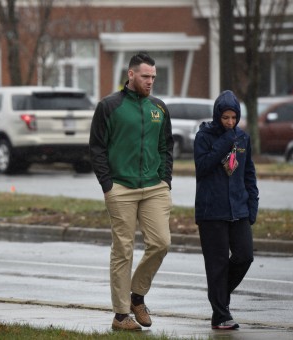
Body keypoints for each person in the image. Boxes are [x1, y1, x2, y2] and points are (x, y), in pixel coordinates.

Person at [89, 52, 174, 331]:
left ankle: (137, 295)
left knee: (161, 242)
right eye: (145, 76)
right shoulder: (109, 106)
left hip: (154, 187)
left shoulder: (158, 108)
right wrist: (107, 184)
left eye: (153, 77)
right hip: (121, 188)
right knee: (123, 249)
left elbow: (165, 146)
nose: (150, 81)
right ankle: (121, 315)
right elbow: (97, 147)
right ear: (131, 75)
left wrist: (165, 180)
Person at [193, 90, 259, 330]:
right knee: (217, 264)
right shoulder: (204, 136)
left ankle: (218, 294)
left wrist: (252, 206)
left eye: (234, 118)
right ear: (217, 116)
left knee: (245, 256)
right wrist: (225, 141)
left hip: (239, 209)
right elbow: (202, 167)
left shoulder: (243, 138)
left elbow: (249, 174)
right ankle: (221, 315)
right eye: (226, 118)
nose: (230, 123)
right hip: (212, 212)